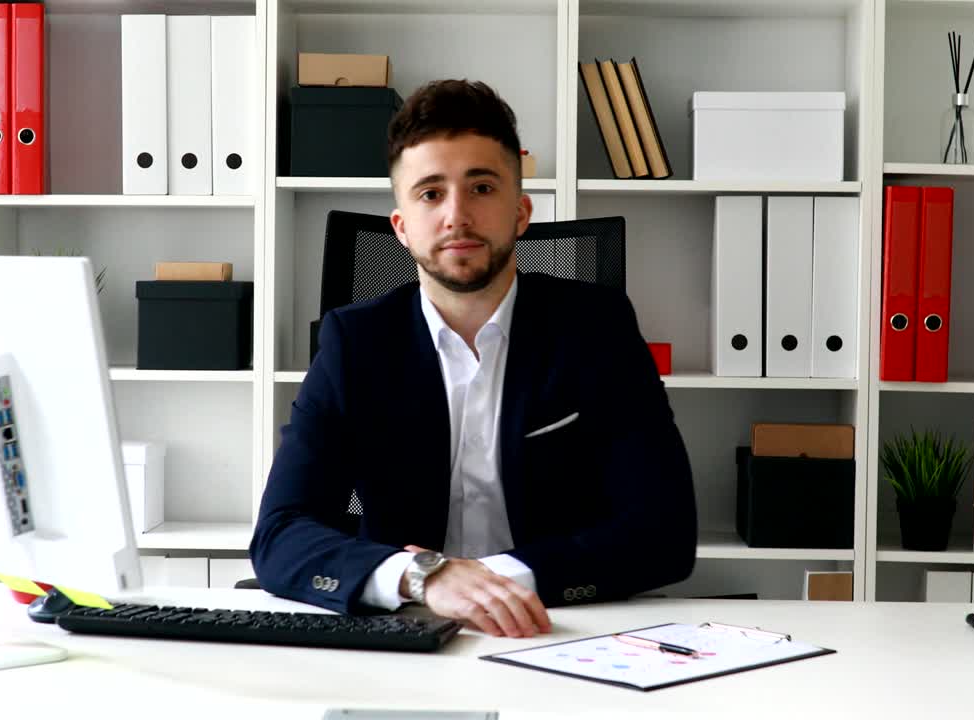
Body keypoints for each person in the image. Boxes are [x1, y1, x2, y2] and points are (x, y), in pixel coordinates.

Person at [251, 79, 696, 638]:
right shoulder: (354, 342)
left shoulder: (596, 329)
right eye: (430, 194)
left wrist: (492, 582)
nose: (456, 215)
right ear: (402, 226)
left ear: (521, 211)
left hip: (558, 625)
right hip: (406, 627)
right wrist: (426, 578)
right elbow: (281, 532)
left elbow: (665, 531)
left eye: (482, 188)